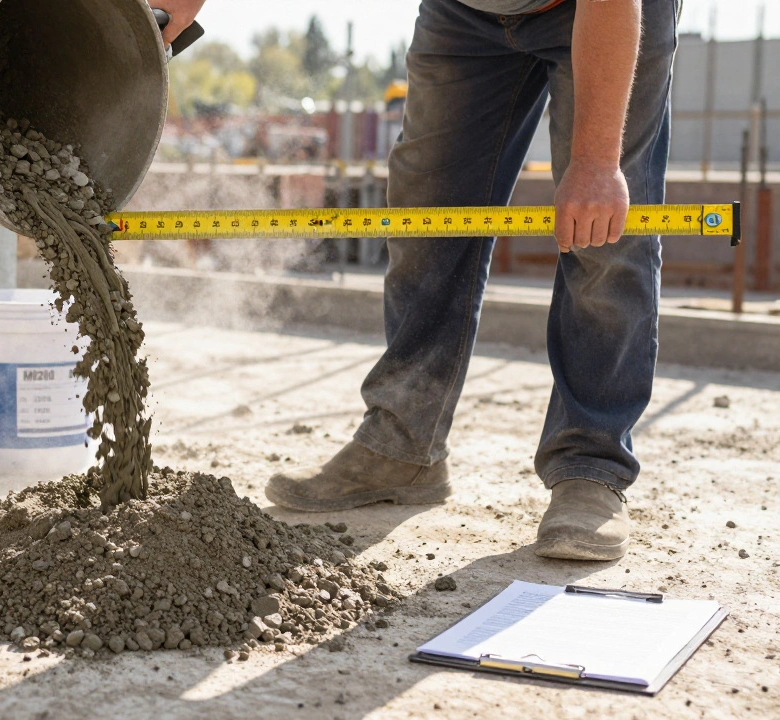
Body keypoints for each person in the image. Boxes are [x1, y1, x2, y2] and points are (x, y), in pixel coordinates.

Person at [158, 0, 676, 562]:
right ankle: (404, 445)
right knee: (424, 213)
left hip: (603, 11)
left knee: (603, 235)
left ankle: (590, 468)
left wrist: (597, 163)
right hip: (465, 12)